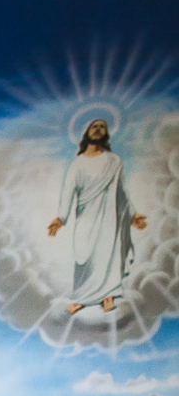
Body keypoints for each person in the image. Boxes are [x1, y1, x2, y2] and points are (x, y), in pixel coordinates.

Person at [47, 117, 147, 314]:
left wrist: (132, 215)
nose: (99, 129)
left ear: (106, 134)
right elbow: (68, 191)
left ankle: (108, 296)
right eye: (95, 126)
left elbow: (122, 191)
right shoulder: (78, 163)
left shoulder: (113, 161)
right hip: (86, 215)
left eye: (103, 127)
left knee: (107, 253)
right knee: (83, 255)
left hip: (109, 214)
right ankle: (81, 297)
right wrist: (61, 218)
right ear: (87, 133)